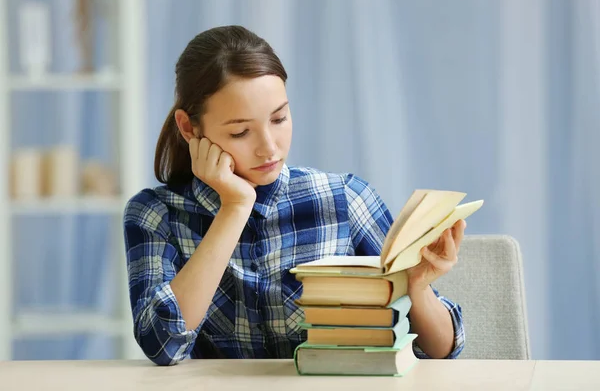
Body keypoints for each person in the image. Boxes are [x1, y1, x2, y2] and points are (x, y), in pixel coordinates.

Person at [123, 25, 466, 366]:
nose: (269, 148)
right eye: (241, 132)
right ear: (189, 128)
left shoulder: (345, 199)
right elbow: (162, 345)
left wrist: (417, 288)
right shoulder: (156, 214)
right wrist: (235, 207)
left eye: (279, 118)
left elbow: (441, 350)